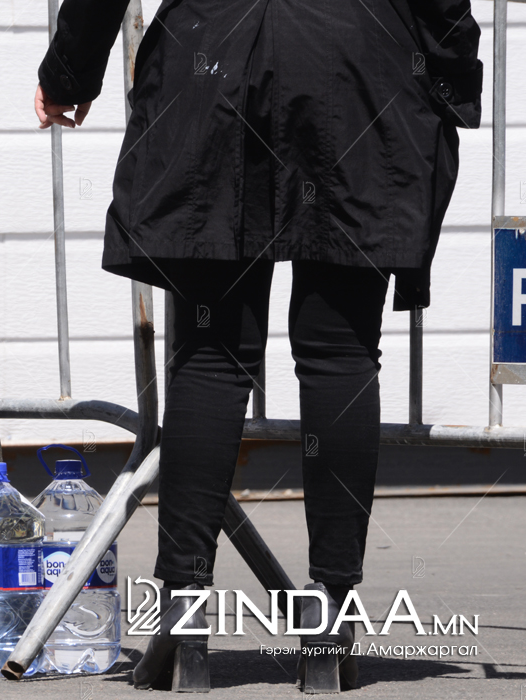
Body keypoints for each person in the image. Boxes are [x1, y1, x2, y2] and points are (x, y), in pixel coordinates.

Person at [35, 0, 482, 692]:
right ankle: (328, 623)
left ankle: (185, 623)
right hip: (357, 62)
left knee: (211, 355)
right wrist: (451, 79)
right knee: (340, 353)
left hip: (214, 54)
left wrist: (70, 72)